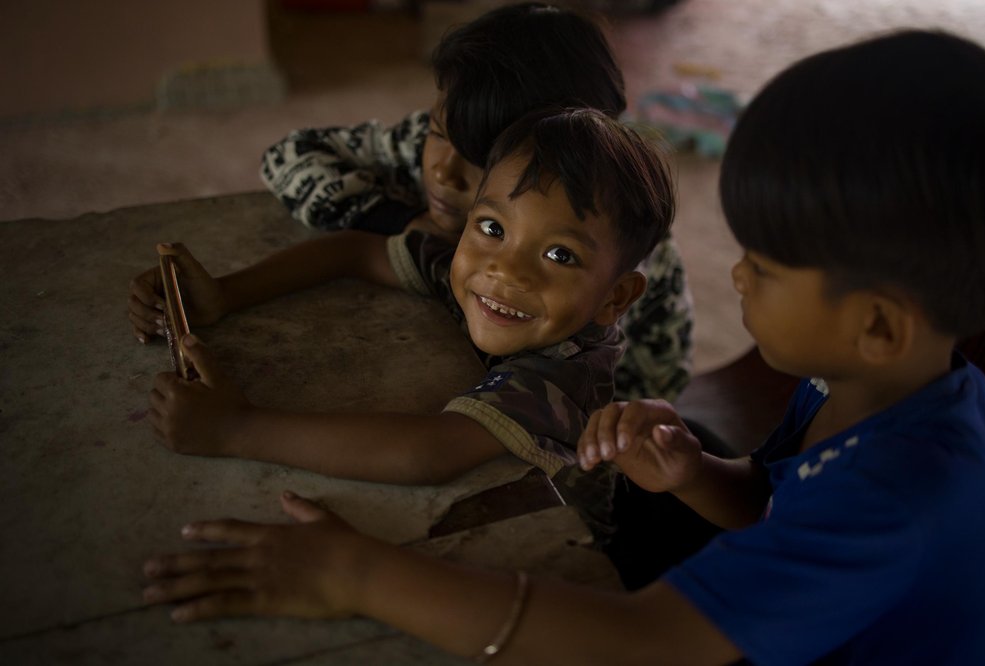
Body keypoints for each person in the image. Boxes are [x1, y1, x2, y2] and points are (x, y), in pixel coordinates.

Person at [142, 30, 985, 665]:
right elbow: (777, 503)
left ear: (878, 324)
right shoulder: (869, 384)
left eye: (765, 268)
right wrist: (698, 474)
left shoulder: (899, 495)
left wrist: (356, 576)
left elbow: (649, 640)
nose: (735, 277)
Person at [130, 108, 673, 538]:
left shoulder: (566, 375)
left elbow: (427, 453)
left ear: (615, 297)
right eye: (492, 227)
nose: (505, 270)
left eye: (559, 256)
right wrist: (226, 293)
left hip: (558, 548)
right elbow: (357, 251)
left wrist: (235, 429)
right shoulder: (478, 270)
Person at [258, 1, 694, 402]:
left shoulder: (613, 245)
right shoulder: (431, 140)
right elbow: (289, 157)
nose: (442, 172)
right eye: (439, 133)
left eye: (477, 158)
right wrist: (404, 220)